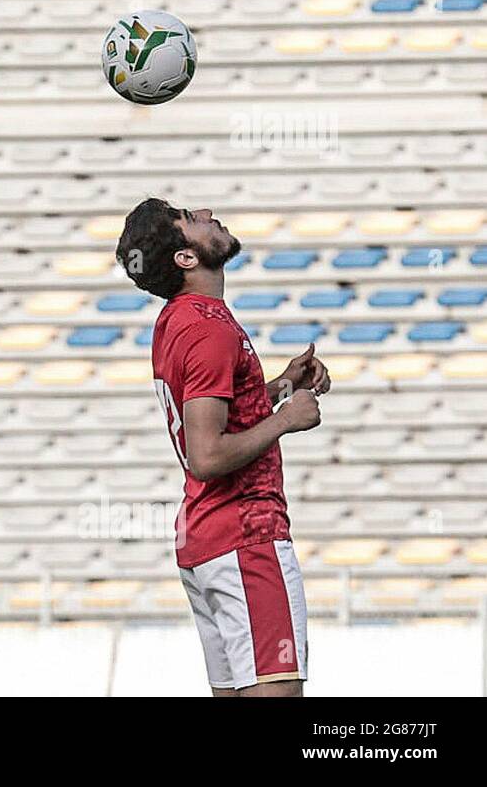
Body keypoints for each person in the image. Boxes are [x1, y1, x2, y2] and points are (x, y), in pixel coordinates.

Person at [116, 199, 328, 696]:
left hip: (208, 539)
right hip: (245, 536)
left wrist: (276, 385)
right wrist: (285, 420)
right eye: (190, 218)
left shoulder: (179, 320)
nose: (207, 212)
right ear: (186, 258)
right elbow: (206, 455)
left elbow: (210, 408)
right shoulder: (209, 327)